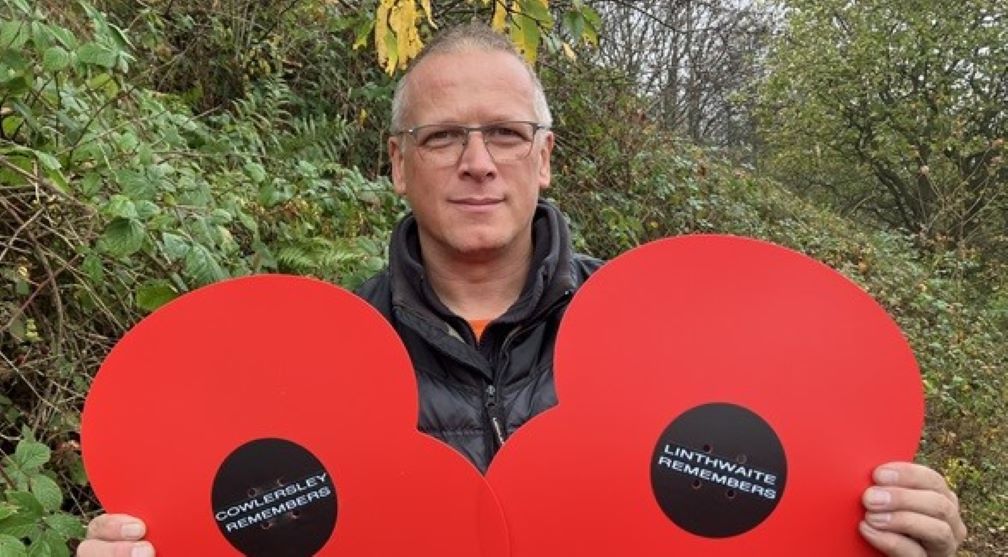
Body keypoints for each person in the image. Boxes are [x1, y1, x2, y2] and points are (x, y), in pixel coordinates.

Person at [78, 23, 967, 557]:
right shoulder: (318, 363)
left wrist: (886, 531)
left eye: (505, 132)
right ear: (396, 163)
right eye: (441, 138)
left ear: (544, 156)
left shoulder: (662, 340)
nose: (476, 163)